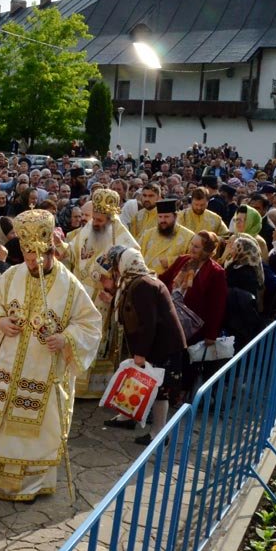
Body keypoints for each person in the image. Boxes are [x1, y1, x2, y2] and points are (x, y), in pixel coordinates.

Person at [0, 209, 102, 502]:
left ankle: (28, 485)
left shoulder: (70, 285)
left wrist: (65, 338)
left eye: (38, 259)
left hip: (43, 370)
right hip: (7, 365)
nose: (33, 264)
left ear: (50, 252)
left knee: (34, 430)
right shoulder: (13, 274)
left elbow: (90, 324)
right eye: (28, 258)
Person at [95, 246, 186, 445]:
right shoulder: (137, 280)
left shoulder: (143, 284)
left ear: (124, 263)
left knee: (159, 389)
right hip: (156, 343)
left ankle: (158, 434)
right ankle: (127, 417)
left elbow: (148, 322)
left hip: (162, 346)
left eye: (116, 265)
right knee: (136, 379)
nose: (115, 270)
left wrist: (141, 353)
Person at [58, 188, 138, 398]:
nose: (95, 223)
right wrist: (60, 247)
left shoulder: (123, 238)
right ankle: (73, 380)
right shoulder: (87, 231)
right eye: (95, 218)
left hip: (103, 298)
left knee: (97, 339)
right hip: (79, 293)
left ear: (111, 218)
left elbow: (135, 271)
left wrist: (115, 291)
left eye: (101, 220)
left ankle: (94, 388)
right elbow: (72, 254)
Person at [159, 232, 228, 390]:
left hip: (193, 327)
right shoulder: (183, 260)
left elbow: (217, 305)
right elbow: (165, 279)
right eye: (192, 244)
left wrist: (211, 334)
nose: (192, 248)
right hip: (171, 318)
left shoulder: (216, 272)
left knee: (185, 360)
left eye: (197, 246)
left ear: (207, 250)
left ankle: (180, 391)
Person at [138, 199, 195, 275]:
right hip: (146, 279)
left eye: (166, 216)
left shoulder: (188, 236)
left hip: (171, 282)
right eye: (160, 217)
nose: (163, 220)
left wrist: (170, 261)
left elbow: (193, 260)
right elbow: (137, 255)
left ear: (175, 216)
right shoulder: (147, 234)